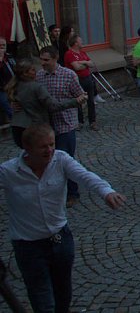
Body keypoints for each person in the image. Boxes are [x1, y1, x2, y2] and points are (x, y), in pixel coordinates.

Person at [0, 124, 125, 313]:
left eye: (52, 144)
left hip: (60, 240)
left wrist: (107, 192)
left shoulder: (61, 159)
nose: (49, 150)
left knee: (63, 292)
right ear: (27, 148)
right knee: (42, 299)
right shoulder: (8, 171)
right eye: (43, 146)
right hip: (28, 245)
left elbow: (85, 176)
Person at [36, 47, 88, 207]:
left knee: (66, 160)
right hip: (46, 125)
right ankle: (53, 191)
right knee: (48, 160)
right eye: (41, 59)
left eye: (46, 60)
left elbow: (81, 95)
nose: (42, 63)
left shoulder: (68, 75)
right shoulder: (39, 76)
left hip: (65, 124)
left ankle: (72, 193)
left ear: (55, 59)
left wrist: (79, 101)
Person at [7, 57, 85, 148]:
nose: (35, 71)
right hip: (34, 129)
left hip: (18, 127)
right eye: (33, 70)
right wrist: (75, 101)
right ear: (25, 73)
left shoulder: (15, 85)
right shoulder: (36, 87)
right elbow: (53, 106)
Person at [64, 34, 98, 131]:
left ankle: (92, 121)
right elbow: (77, 67)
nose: (82, 42)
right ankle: (79, 122)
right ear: (75, 43)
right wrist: (86, 64)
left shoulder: (82, 53)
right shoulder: (69, 54)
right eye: (80, 41)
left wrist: (84, 62)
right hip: (77, 80)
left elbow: (92, 64)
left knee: (91, 101)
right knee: (78, 101)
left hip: (87, 78)